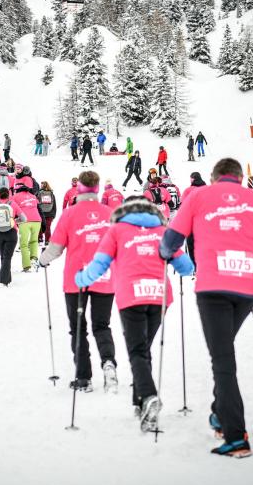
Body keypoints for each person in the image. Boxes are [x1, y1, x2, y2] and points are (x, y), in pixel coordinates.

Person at [159, 158, 253, 457]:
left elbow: (172, 238)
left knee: (223, 360)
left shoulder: (199, 196)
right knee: (224, 350)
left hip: (213, 286)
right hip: (246, 286)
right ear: (240, 178)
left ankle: (236, 436)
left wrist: (166, 253)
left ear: (215, 178)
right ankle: (219, 412)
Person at [76, 196, 194, 428]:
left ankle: (149, 396)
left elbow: (99, 264)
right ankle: (140, 403)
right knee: (144, 348)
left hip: (132, 296)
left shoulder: (117, 231)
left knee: (138, 351)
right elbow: (186, 267)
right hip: (159, 296)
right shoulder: (162, 231)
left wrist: (81, 279)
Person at [41, 171, 119, 393]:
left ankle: (84, 377)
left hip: (76, 280)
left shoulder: (69, 214)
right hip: (104, 277)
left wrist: (43, 260)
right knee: (102, 325)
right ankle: (108, 362)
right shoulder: (110, 214)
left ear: (80, 189)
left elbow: (55, 247)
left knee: (78, 328)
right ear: (97, 189)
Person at [0, 187, 25, 287]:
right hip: (11, 233)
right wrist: (13, 221)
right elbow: (24, 218)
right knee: (7, 257)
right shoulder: (12, 204)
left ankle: (7, 279)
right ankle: (3, 281)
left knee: (4, 256)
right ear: (8, 194)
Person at [14, 182, 46, 272]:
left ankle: (26, 266)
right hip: (37, 220)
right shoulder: (33, 196)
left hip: (24, 221)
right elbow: (39, 209)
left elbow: (12, 209)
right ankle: (34, 259)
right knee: (34, 241)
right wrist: (43, 223)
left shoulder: (15, 197)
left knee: (23, 244)